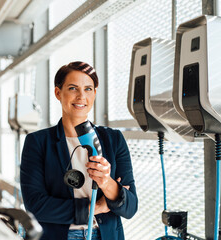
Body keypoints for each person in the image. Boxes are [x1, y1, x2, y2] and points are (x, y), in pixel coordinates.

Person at [20, 61, 138, 240]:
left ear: (95, 93)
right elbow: (36, 206)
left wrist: (106, 182)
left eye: (88, 89)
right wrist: (95, 208)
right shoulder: (38, 142)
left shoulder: (113, 140)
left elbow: (130, 207)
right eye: (73, 88)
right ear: (58, 93)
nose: (81, 96)